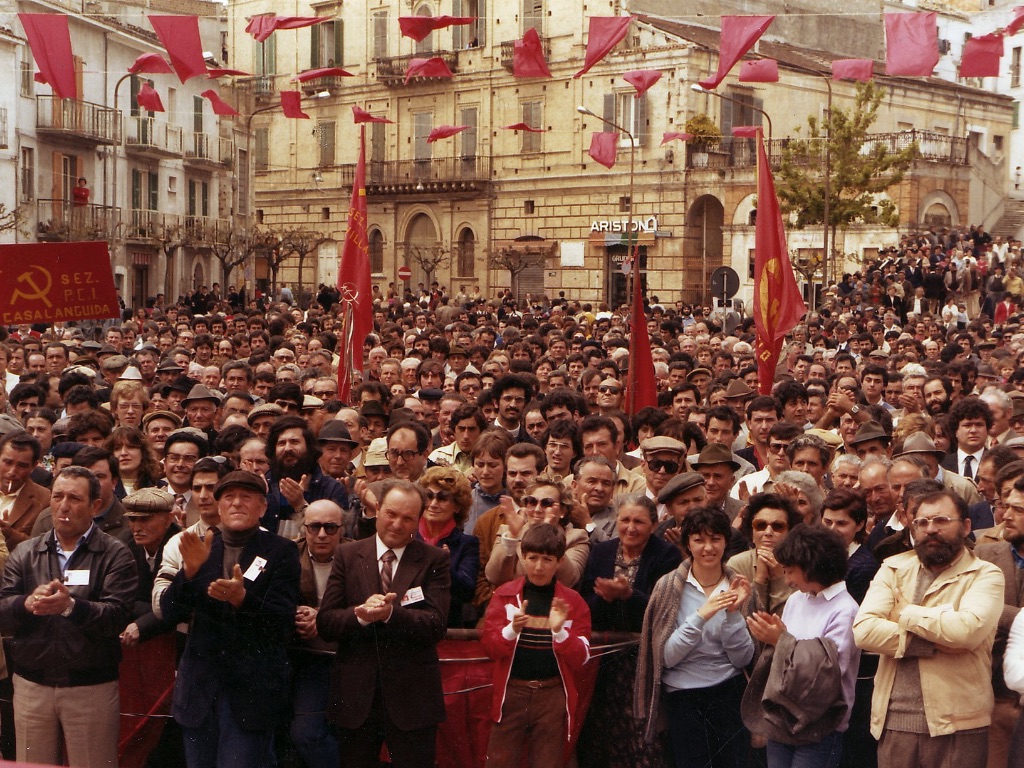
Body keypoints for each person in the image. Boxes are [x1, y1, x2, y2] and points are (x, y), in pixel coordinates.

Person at [853, 489, 1004, 768]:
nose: (930, 529)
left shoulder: (986, 575)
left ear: (966, 526)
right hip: (895, 720)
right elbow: (863, 631)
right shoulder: (893, 568)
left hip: (959, 722)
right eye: (922, 522)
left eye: (941, 520)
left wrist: (905, 613)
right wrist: (933, 641)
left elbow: (965, 632)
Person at [161, 469, 301, 768]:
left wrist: (242, 599)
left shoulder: (281, 552)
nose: (237, 503)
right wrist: (188, 574)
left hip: (250, 695)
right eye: (229, 497)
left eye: (246, 497)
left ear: (263, 507)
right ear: (217, 506)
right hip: (199, 690)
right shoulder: (201, 548)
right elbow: (169, 612)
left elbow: (282, 623)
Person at [0, 465, 138, 767]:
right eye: (58, 496)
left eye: (74, 498)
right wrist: (25, 604)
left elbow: (117, 615)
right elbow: (2, 611)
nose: (63, 506)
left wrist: (71, 607)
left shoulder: (116, 553)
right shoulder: (25, 552)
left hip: (89, 688)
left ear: (95, 505)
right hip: (31, 685)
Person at [316, 479, 451, 768]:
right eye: (391, 513)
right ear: (377, 509)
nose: (397, 524)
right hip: (356, 698)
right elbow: (326, 622)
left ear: (419, 520)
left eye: (407, 518)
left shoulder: (434, 560)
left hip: (413, 699)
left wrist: (391, 615)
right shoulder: (348, 555)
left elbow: (436, 624)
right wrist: (361, 615)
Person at [635, 506, 754, 768]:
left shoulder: (739, 586)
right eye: (699, 540)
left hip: (728, 690)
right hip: (683, 694)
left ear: (726, 541)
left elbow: (743, 658)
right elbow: (666, 657)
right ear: (688, 543)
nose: (707, 548)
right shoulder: (668, 587)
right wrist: (702, 615)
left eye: (715, 539)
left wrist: (733, 614)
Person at [743, 525, 861, 768]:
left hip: (821, 724)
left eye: (790, 572)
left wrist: (781, 641)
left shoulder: (845, 610)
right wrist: (774, 638)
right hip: (782, 717)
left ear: (812, 566)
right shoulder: (796, 600)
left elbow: (827, 672)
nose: (787, 580)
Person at [578, 493, 681, 768]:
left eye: (639, 521)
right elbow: (585, 605)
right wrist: (605, 597)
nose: (631, 528)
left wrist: (628, 594)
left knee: (640, 737)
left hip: (642, 661)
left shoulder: (666, 554)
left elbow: (665, 608)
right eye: (625, 520)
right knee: (601, 733)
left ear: (653, 523)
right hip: (605, 660)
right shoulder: (601, 552)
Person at [481, 523, 592, 768]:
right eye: (532, 558)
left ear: (560, 561)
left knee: (548, 762)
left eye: (547, 559)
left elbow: (582, 657)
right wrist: (512, 630)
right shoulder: (505, 595)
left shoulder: (573, 602)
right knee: (500, 761)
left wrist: (560, 632)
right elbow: (489, 647)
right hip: (512, 692)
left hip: (551, 694)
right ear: (522, 556)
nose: (539, 566)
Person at [291, 499, 347, 768]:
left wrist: (321, 616)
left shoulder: (359, 554)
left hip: (347, 656)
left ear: (342, 529)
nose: (322, 534)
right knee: (305, 733)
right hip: (306, 659)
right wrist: (297, 612)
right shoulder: (289, 554)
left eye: (330, 527)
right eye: (314, 527)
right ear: (304, 528)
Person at [417, 466, 480, 627]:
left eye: (443, 498)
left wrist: (446, 567)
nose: (433, 504)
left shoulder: (468, 544)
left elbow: (467, 592)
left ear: (457, 506)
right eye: (429, 496)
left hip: (447, 627)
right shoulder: (408, 537)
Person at [727, 492, 802, 615]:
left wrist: (780, 579)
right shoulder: (737, 564)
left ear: (789, 532)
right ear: (752, 532)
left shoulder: (800, 565)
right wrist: (759, 580)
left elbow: (789, 618)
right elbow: (747, 618)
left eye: (778, 526)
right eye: (760, 525)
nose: (768, 532)